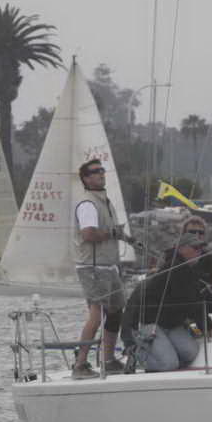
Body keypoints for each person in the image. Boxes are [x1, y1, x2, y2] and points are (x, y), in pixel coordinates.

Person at [121, 232, 212, 372]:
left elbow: (193, 301)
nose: (199, 252)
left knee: (190, 352)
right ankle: (134, 352)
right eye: (195, 248)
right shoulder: (176, 268)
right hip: (148, 322)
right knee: (169, 364)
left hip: (170, 324)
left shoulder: (187, 268)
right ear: (181, 249)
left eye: (200, 248)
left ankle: (165, 354)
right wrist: (209, 327)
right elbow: (192, 302)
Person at [71, 158, 136, 379]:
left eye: (102, 170)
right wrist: (112, 234)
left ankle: (108, 361)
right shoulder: (88, 204)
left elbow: (110, 230)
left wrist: (127, 238)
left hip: (108, 266)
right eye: (95, 171)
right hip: (92, 266)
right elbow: (89, 234)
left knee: (116, 311)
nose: (101, 173)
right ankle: (80, 365)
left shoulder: (105, 201)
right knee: (96, 314)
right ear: (85, 178)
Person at [178, 215, 212, 285]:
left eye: (201, 232)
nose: (197, 235)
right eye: (192, 232)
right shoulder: (172, 257)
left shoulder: (210, 260)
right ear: (183, 234)